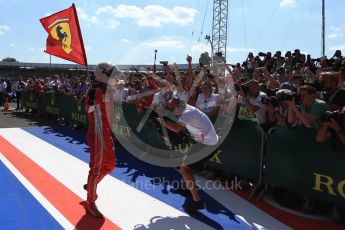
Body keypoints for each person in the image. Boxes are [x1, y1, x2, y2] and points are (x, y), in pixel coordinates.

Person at [160, 96, 218, 212]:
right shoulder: (188, 109)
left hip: (206, 144)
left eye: (173, 108)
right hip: (204, 142)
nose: (173, 111)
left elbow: (176, 128)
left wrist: (162, 122)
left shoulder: (188, 112)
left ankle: (197, 201)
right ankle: (188, 188)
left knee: (184, 168)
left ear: (178, 105)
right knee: (185, 166)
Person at [83, 62, 120, 218]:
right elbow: (88, 109)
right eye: (113, 75)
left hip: (106, 133)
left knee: (110, 165)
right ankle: (91, 201)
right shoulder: (95, 91)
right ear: (104, 74)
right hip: (97, 134)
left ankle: (92, 185)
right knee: (96, 168)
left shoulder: (107, 90)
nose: (116, 79)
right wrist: (92, 100)